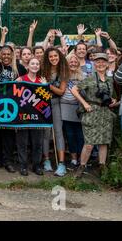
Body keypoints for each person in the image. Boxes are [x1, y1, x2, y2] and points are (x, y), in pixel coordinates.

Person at [71, 53, 118, 178]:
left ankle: (102, 166)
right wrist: (85, 103)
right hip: (92, 112)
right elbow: (74, 89)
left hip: (105, 113)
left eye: (103, 61)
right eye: (98, 62)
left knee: (103, 142)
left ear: (107, 64)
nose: (101, 64)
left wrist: (112, 100)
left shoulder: (109, 80)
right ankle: (82, 167)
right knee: (89, 143)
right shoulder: (90, 78)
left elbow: (111, 96)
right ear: (94, 64)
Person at [0, 42, 26, 173]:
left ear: (12, 55)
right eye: (4, 54)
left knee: (9, 134)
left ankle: (8, 161)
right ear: (0, 55)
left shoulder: (20, 68)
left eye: (8, 54)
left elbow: (26, 85)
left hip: (13, 105)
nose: (6, 56)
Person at [41, 47, 69, 176]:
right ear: (47, 58)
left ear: (59, 56)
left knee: (58, 132)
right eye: (51, 56)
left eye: (55, 56)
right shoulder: (43, 70)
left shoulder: (62, 71)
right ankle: (46, 160)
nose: (53, 58)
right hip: (43, 104)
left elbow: (61, 91)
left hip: (56, 103)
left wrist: (48, 85)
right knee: (45, 133)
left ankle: (62, 164)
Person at [15, 58, 45, 176]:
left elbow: (46, 98)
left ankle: (36, 165)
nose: (35, 65)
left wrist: (45, 86)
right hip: (22, 115)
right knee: (22, 142)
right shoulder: (20, 79)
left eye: (37, 64)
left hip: (38, 117)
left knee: (37, 143)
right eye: (33, 63)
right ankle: (23, 165)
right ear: (28, 66)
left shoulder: (41, 80)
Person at [61, 53, 85, 170]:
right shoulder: (63, 75)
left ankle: (82, 159)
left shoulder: (83, 76)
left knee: (80, 135)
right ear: (67, 62)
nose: (73, 63)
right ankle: (73, 159)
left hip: (79, 108)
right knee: (69, 135)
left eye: (75, 61)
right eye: (71, 61)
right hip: (65, 107)